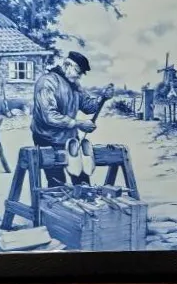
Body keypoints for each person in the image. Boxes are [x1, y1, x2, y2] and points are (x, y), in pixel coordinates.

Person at [30, 51, 114, 186]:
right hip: (48, 139)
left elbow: (88, 107)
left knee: (82, 182)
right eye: (78, 72)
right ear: (67, 65)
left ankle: (83, 199)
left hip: (70, 140)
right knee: (57, 184)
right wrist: (79, 124)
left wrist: (102, 97)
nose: (79, 76)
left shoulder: (75, 84)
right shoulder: (47, 82)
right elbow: (49, 116)